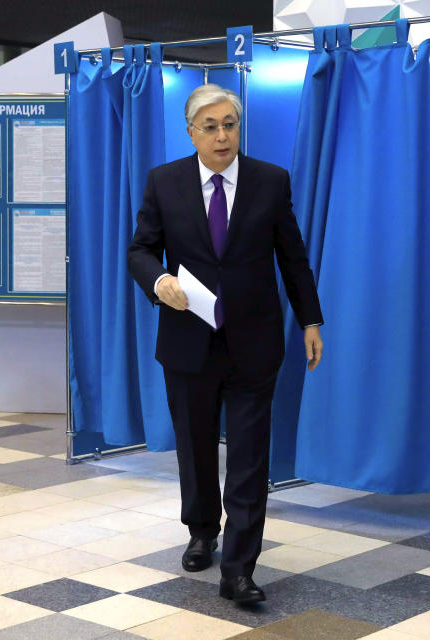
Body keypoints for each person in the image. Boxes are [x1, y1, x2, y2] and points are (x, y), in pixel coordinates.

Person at [127, 83, 323, 606]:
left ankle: (239, 567)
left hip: (254, 342)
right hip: (188, 338)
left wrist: (310, 320)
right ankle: (201, 528)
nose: (221, 135)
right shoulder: (164, 182)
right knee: (194, 446)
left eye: (229, 125)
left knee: (250, 455)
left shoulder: (270, 180)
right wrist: (157, 281)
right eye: (210, 126)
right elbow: (140, 250)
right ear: (191, 132)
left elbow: (293, 258)